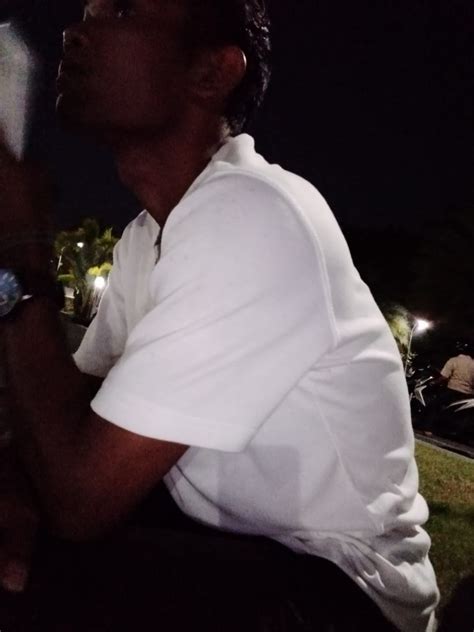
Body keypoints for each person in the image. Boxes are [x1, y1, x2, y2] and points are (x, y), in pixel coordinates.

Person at [0, 1, 439, 630]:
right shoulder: (146, 236)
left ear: (211, 73)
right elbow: (74, 410)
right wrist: (18, 479)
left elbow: (79, 497)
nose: (75, 31)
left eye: (119, 10)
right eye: (86, 9)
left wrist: (20, 247)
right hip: (228, 540)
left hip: (341, 589)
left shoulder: (254, 213)